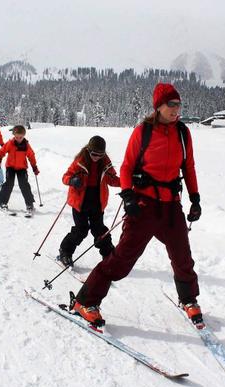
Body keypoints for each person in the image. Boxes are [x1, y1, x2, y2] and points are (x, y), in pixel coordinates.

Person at [71, 83, 203, 328]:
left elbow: (189, 166)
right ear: (158, 107)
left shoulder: (183, 133)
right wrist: (128, 196)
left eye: (178, 105)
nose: (176, 110)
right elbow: (127, 167)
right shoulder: (143, 132)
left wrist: (195, 198)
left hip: (171, 205)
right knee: (121, 259)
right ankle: (85, 301)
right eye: (171, 105)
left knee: (182, 256)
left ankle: (189, 299)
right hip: (143, 205)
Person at [58, 136, 120, 267]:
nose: (97, 157)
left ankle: (109, 255)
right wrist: (72, 181)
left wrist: (127, 182)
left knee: (99, 230)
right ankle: (65, 251)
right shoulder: (80, 161)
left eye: (100, 154)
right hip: (80, 201)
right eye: (94, 154)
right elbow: (65, 177)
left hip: (97, 201)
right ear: (88, 150)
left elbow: (112, 179)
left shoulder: (105, 163)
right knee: (81, 230)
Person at [0, 125, 38, 215]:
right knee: (9, 183)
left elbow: (31, 155)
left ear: (24, 135)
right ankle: (2, 203)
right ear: (14, 135)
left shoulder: (26, 145)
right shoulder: (10, 143)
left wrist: (34, 166)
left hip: (22, 168)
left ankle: (29, 204)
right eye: (16, 137)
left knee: (24, 184)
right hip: (10, 167)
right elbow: (2, 151)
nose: (18, 139)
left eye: (21, 137)